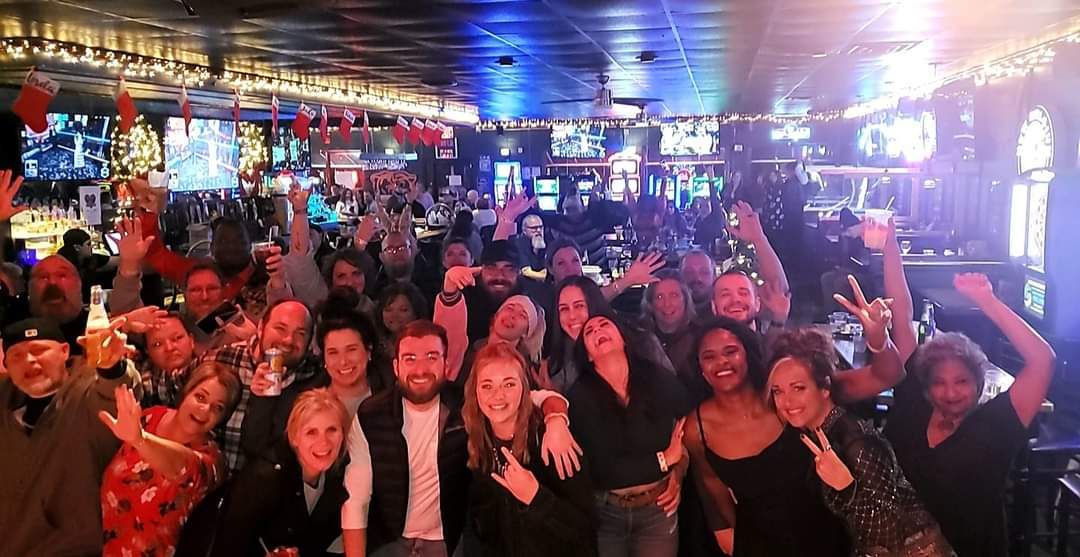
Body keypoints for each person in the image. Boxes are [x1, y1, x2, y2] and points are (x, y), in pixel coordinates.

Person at [342, 320, 582, 557]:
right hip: (388, 543)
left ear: (446, 364)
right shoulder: (371, 414)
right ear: (396, 367)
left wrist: (556, 419)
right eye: (410, 358)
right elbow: (356, 500)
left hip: (447, 542)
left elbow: (525, 398)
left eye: (432, 357)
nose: (421, 369)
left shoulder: (466, 405)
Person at [884, 273, 1055, 557]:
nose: (950, 392)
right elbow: (901, 314)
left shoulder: (995, 425)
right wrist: (890, 246)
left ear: (979, 383)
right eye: (939, 383)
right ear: (926, 386)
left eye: (962, 381)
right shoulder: (914, 403)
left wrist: (987, 300)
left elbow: (1043, 360)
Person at [766, 321, 953, 555]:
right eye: (778, 391)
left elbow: (889, 532)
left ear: (824, 387)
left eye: (798, 388)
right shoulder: (816, 432)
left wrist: (847, 488)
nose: (787, 401)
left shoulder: (857, 441)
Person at [683, 317, 850, 557]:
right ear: (700, 368)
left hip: (823, 533)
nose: (721, 362)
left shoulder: (783, 397)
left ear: (747, 354)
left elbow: (882, 376)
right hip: (757, 543)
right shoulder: (696, 428)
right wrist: (728, 535)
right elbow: (712, 488)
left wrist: (879, 341)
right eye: (709, 357)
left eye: (731, 351)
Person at [0, 316, 140, 556]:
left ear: (64, 351)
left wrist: (112, 367)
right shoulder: (5, 401)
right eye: (16, 356)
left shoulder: (87, 393)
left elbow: (114, 391)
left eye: (39, 350)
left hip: (74, 548)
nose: (29, 360)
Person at [566, 312, 692, 557]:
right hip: (607, 513)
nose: (597, 330)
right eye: (589, 331)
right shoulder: (580, 396)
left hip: (658, 507)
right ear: (588, 354)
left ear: (623, 338)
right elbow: (603, 471)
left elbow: (689, 423)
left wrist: (678, 469)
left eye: (604, 325)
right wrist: (665, 459)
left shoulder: (656, 378)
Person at [462, 343, 597, 557]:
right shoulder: (477, 442)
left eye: (509, 384)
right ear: (475, 391)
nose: (498, 395)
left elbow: (584, 529)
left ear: (525, 389)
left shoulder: (553, 442)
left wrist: (536, 497)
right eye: (487, 386)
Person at [99, 363, 241, 556]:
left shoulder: (213, 461)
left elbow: (183, 466)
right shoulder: (151, 417)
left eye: (218, 408)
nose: (205, 409)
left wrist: (140, 440)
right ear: (186, 392)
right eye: (200, 397)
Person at [212, 389, 352, 556]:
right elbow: (226, 547)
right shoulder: (264, 479)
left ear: (343, 434)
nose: (323, 442)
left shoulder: (341, 479)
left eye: (332, 430)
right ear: (294, 437)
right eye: (311, 432)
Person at [204, 297, 318, 472]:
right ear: (260, 328)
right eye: (280, 328)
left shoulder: (315, 377)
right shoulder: (222, 358)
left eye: (300, 333)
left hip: (268, 484)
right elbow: (170, 389)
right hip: (212, 479)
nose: (288, 340)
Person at [436, 266, 546, 385]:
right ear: (495, 317)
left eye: (523, 315)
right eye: (510, 308)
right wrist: (450, 290)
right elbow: (450, 333)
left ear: (526, 332)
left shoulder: (528, 372)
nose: (513, 315)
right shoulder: (465, 355)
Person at [641, 270, 705, 402]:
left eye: (674, 295)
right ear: (650, 304)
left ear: (685, 299)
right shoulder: (639, 337)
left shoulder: (703, 336)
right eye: (659, 297)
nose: (667, 304)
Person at [139, 312, 200, 407]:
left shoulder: (211, 367)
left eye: (177, 338)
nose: (169, 348)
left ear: (191, 340)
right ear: (147, 351)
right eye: (157, 344)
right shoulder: (141, 383)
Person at [374, 281, 430, 353]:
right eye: (388, 310)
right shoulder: (375, 345)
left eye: (403, 310)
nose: (394, 315)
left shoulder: (427, 343)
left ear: (416, 312)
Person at [679, 250, 717, 317]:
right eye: (689, 272)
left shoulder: (723, 312)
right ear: (680, 276)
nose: (697, 278)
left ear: (714, 276)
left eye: (704, 272)